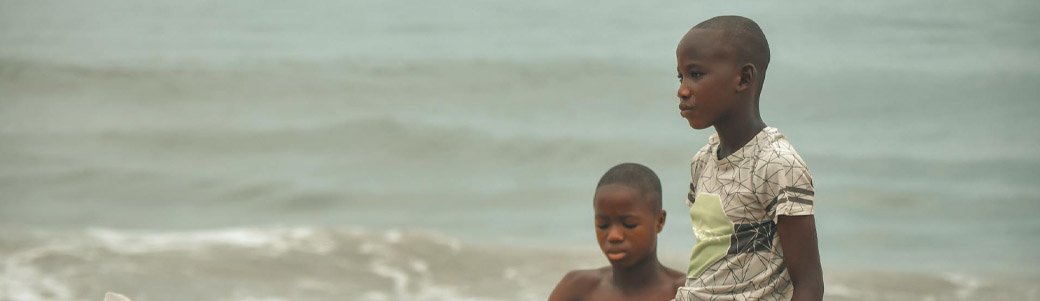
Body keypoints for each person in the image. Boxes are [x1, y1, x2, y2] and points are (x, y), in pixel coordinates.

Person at [673, 16, 824, 301]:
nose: (682, 89)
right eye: (680, 76)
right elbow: (713, 261)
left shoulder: (778, 164)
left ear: (743, 78)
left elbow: (809, 284)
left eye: (695, 74)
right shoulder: (703, 161)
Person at [549, 163, 685, 301]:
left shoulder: (685, 292)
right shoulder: (576, 289)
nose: (614, 236)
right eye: (603, 225)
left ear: (659, 221)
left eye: (629, 224)